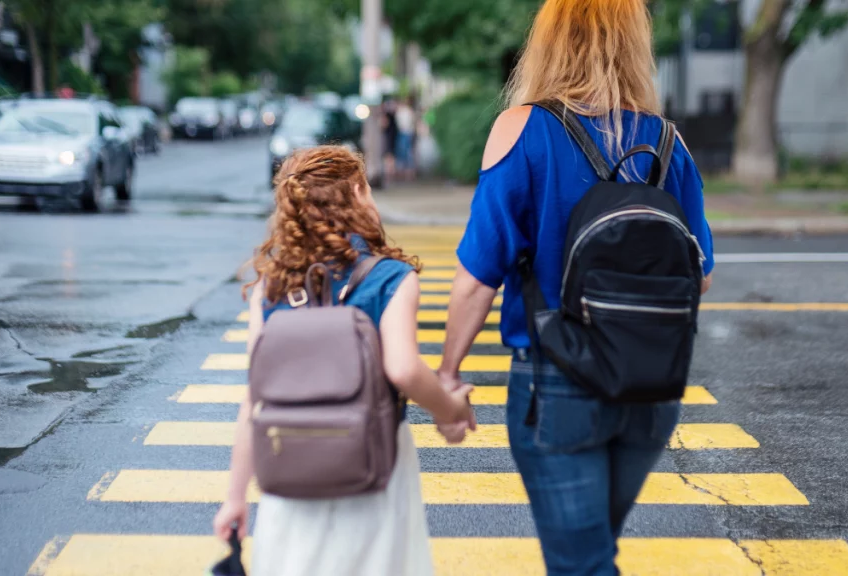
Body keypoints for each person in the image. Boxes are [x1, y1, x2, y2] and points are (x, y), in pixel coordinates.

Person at [437, 0, 716, 574]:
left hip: (557, 385)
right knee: (590, 556)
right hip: (650, 390)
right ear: (635, 44)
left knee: (581, 564)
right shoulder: (668, 143)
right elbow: (701, 271)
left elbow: (476, 280)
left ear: (548, 43)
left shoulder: (522, 130)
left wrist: (447, 376)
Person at [213, 146, 475, 576]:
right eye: (368, 189)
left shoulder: (273, 287)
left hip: (290, 458)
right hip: (372, 455)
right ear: (357, 192)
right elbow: (404, 370)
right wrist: (451, 411)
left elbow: (254, 397)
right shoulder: (391, 278)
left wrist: (235, 497)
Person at [394, 97, 417, 180]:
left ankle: (407, 173)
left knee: (405, 153)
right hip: (405, 133)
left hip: (406, 133)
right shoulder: (406, 111)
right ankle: (406, 173)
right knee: (405, 153)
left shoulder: (405, 111)